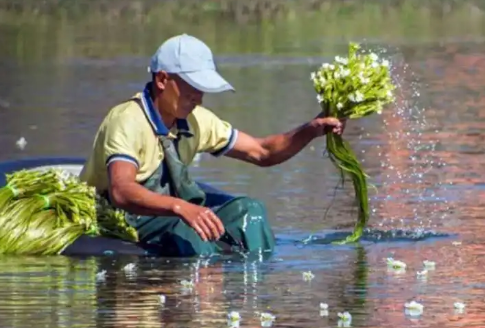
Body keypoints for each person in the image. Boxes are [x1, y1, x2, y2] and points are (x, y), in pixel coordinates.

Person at [79, 34, 345, 257]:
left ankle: (257, 287)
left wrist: (311, 129)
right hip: (122, 215)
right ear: (162, 80)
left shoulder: (196, 119)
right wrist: (181, 207)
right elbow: (122, 191)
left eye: (202, 89)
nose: (199, 98)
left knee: (249, 210)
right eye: (192, 87)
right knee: (188, 231)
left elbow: (263, 152)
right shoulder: (127, 120)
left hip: (171, 210)